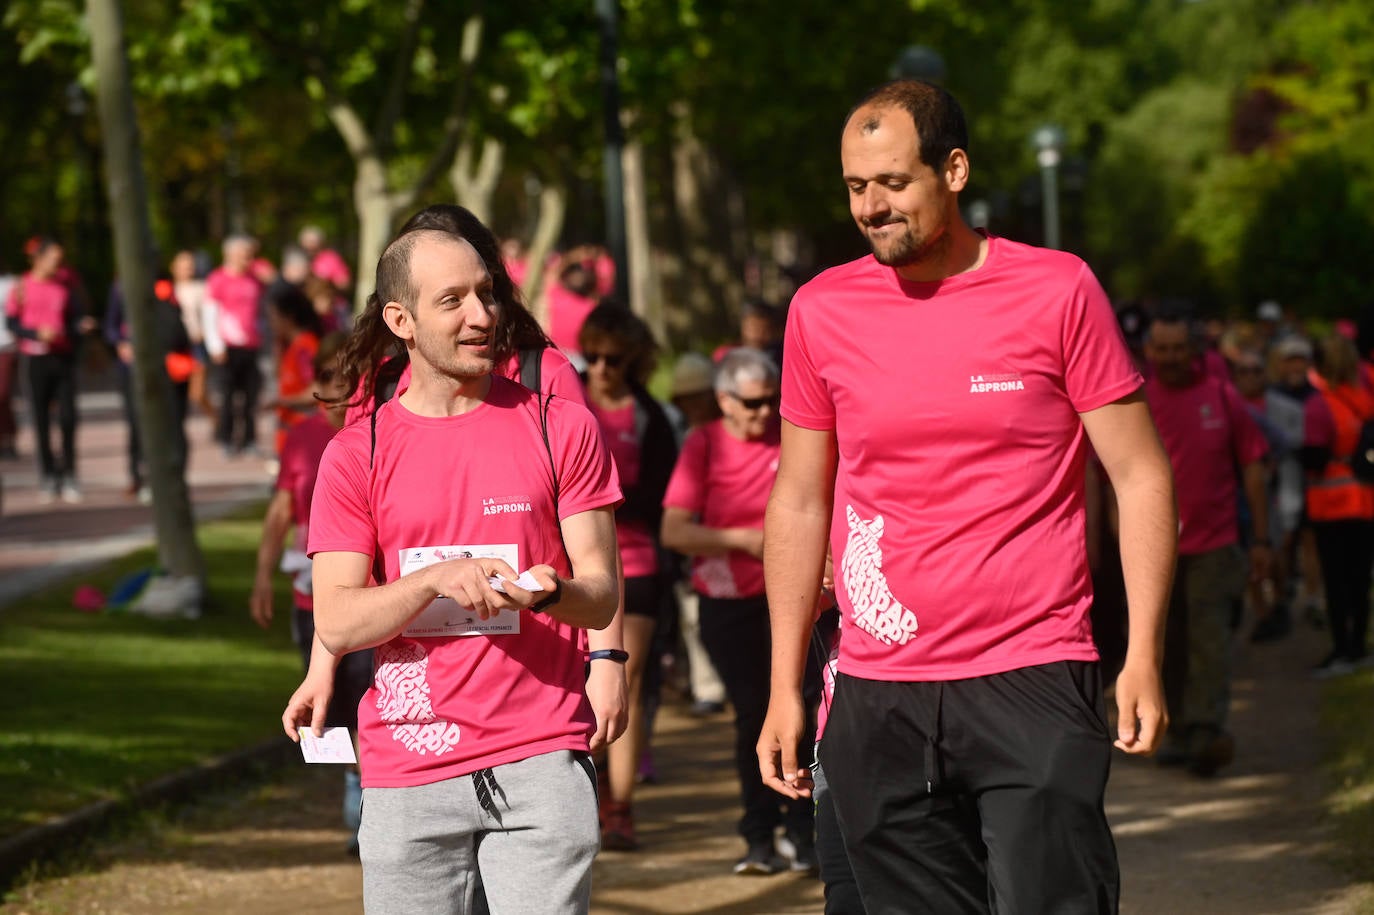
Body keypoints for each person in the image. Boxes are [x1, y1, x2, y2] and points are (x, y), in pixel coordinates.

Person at [756, 80, 1176, 913]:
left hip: (1034, 669)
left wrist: (1145, 652)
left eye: (892, 182)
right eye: (854, 187)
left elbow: (1139, 472)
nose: (872, 206)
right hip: (879, 688)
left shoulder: (1058, 290)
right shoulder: (820, 310)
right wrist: (782, 683)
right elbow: (800, 500)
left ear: (953, 170)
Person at [283, 226, 622, 915]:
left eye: (487, 293)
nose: (482, 315)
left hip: (540, 752)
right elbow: (339, 618)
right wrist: (435, 579)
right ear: (401, 321)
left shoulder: (563, 426)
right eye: (453, 301)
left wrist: (555, 593)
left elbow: (602, 593)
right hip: (409, 765)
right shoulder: (357, 453)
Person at [662, 346, 817, 876]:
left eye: (771, 401)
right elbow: (675, 531)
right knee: (755, 714)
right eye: (752, 403)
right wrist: (744, 541)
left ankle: (803, 831)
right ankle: (758, 836)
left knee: (805, 712)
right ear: (724, 400)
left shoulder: (794, 435)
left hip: (794, 602)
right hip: (730, 604)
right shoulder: (702, 444)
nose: (763, 412)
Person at [251, 333, 372, 852]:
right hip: (311, 599)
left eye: (347, 379)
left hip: (371, 602)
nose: (336, 390)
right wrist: (261, 574)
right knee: (329, 706)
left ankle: (367, 808)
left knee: (370, 700)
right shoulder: (300, 437)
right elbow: (282, 509)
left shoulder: (377, 434)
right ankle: (353, 786)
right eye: (326, 378)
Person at [1143, 315, 1269, 776]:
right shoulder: (1135, 399)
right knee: (1166, 642)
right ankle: (1175, 730)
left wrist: (1262, 538)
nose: (1171, 357)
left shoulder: (1221, 396)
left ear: (1195, 349)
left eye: (1179, 348)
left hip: (1214, 545)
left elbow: (1253, 467)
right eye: (1162, 348)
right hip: (1153, 550)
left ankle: (1205, 733)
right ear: (1149, 351)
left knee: (1209, 641)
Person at [576, 303, 677, 851]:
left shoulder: (649, 417)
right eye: (589, 356)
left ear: (631, 362)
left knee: (625, 678)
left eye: (611, 359)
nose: (599, 369)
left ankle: (620, 807)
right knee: (574, 679)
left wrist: (604, 503)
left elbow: (662, 495)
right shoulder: (568, 407)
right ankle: (581, 797)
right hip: (569, 570)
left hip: (635, 562)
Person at [1301, 334, 1374, 677]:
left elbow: (1314, 458)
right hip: (1364, 501)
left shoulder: (1319, 405)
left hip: (1330, 505)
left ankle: (1342, 648)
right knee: (1360, 579)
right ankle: (1358, 645)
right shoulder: (1364, 397)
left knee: (1336, 581)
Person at [4, 237, 94, 502]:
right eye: (53, 258)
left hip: (62, 357)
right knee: (40, 419)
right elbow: (12, 323)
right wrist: (34, 333)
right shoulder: (22, 287)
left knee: (68, 418)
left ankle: (70, 473)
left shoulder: (65, 285)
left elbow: (74, 317)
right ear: (39, 259)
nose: (58, 263)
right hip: (35, 359)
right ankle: (48, 475)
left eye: (60, 259)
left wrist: (80, 327)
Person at [664, 352, 727, 716]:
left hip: (719, 537)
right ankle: (707, 687)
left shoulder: (721, 433)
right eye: (688, 398)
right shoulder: (678, 433)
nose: (694, 403)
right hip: (690, 541)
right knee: (691, 618)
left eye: (700, 395)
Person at [204, 235, 266, 457]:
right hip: (227, 347)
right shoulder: (217, 279)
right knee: (228, 395)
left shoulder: (254, 280)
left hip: (250, 345)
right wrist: (215, 345)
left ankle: (249, 440)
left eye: (250, 254)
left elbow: (260, 312)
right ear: (229, 254)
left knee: (250, 396)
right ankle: (226, 439)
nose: (248, 258)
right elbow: (210, 313)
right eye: (243, 254)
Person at [264, 285, 324, 455]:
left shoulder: (305, 347)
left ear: (288, 317)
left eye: (273, 317)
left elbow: (317, 389)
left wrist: (282, 401)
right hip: (292, 436)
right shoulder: (292, 346)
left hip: (303, 439)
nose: (271, 324)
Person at [299, 225, 352, 297]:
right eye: (306, 242)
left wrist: (324, 284)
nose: (309, 245)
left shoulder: (331, 258)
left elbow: (344, 283)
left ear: (321, 242)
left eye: (312, 242)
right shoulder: (299, 258)